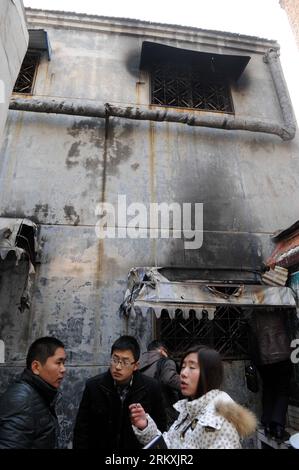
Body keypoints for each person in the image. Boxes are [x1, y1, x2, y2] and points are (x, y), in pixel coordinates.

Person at [130, 345, 257, 449]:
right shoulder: (190, 410)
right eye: (183, 366)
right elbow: (168, 444)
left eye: (192, 367)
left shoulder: (216, 423)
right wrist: (145, 426)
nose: (183, 373)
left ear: (209, 375)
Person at [73, 335, 167, 449]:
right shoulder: (94, 386)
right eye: (115, 359)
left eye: (125, 362)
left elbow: (160, 427)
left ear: (136, 366)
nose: (118, 366)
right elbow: (81, 430)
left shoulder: (151, 387)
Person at [0, 336, 66, 449]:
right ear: (36, 367)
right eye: (58, 363)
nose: (63, 369)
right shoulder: (21, 400)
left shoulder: (40, 393)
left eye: (64, 363)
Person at [247, 308, 293, 442]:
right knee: (283, 389)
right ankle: (278, 426)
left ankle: (267, 423)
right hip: (282, 353)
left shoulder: (253, 309)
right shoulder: (278, 303)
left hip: (262, 357)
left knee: (268, 387)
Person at [139, 340, 181, 428]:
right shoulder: (165, 362)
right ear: (162, 350)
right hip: (165, 412)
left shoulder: (138, 364)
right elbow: (170, 379)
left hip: (143, 412)